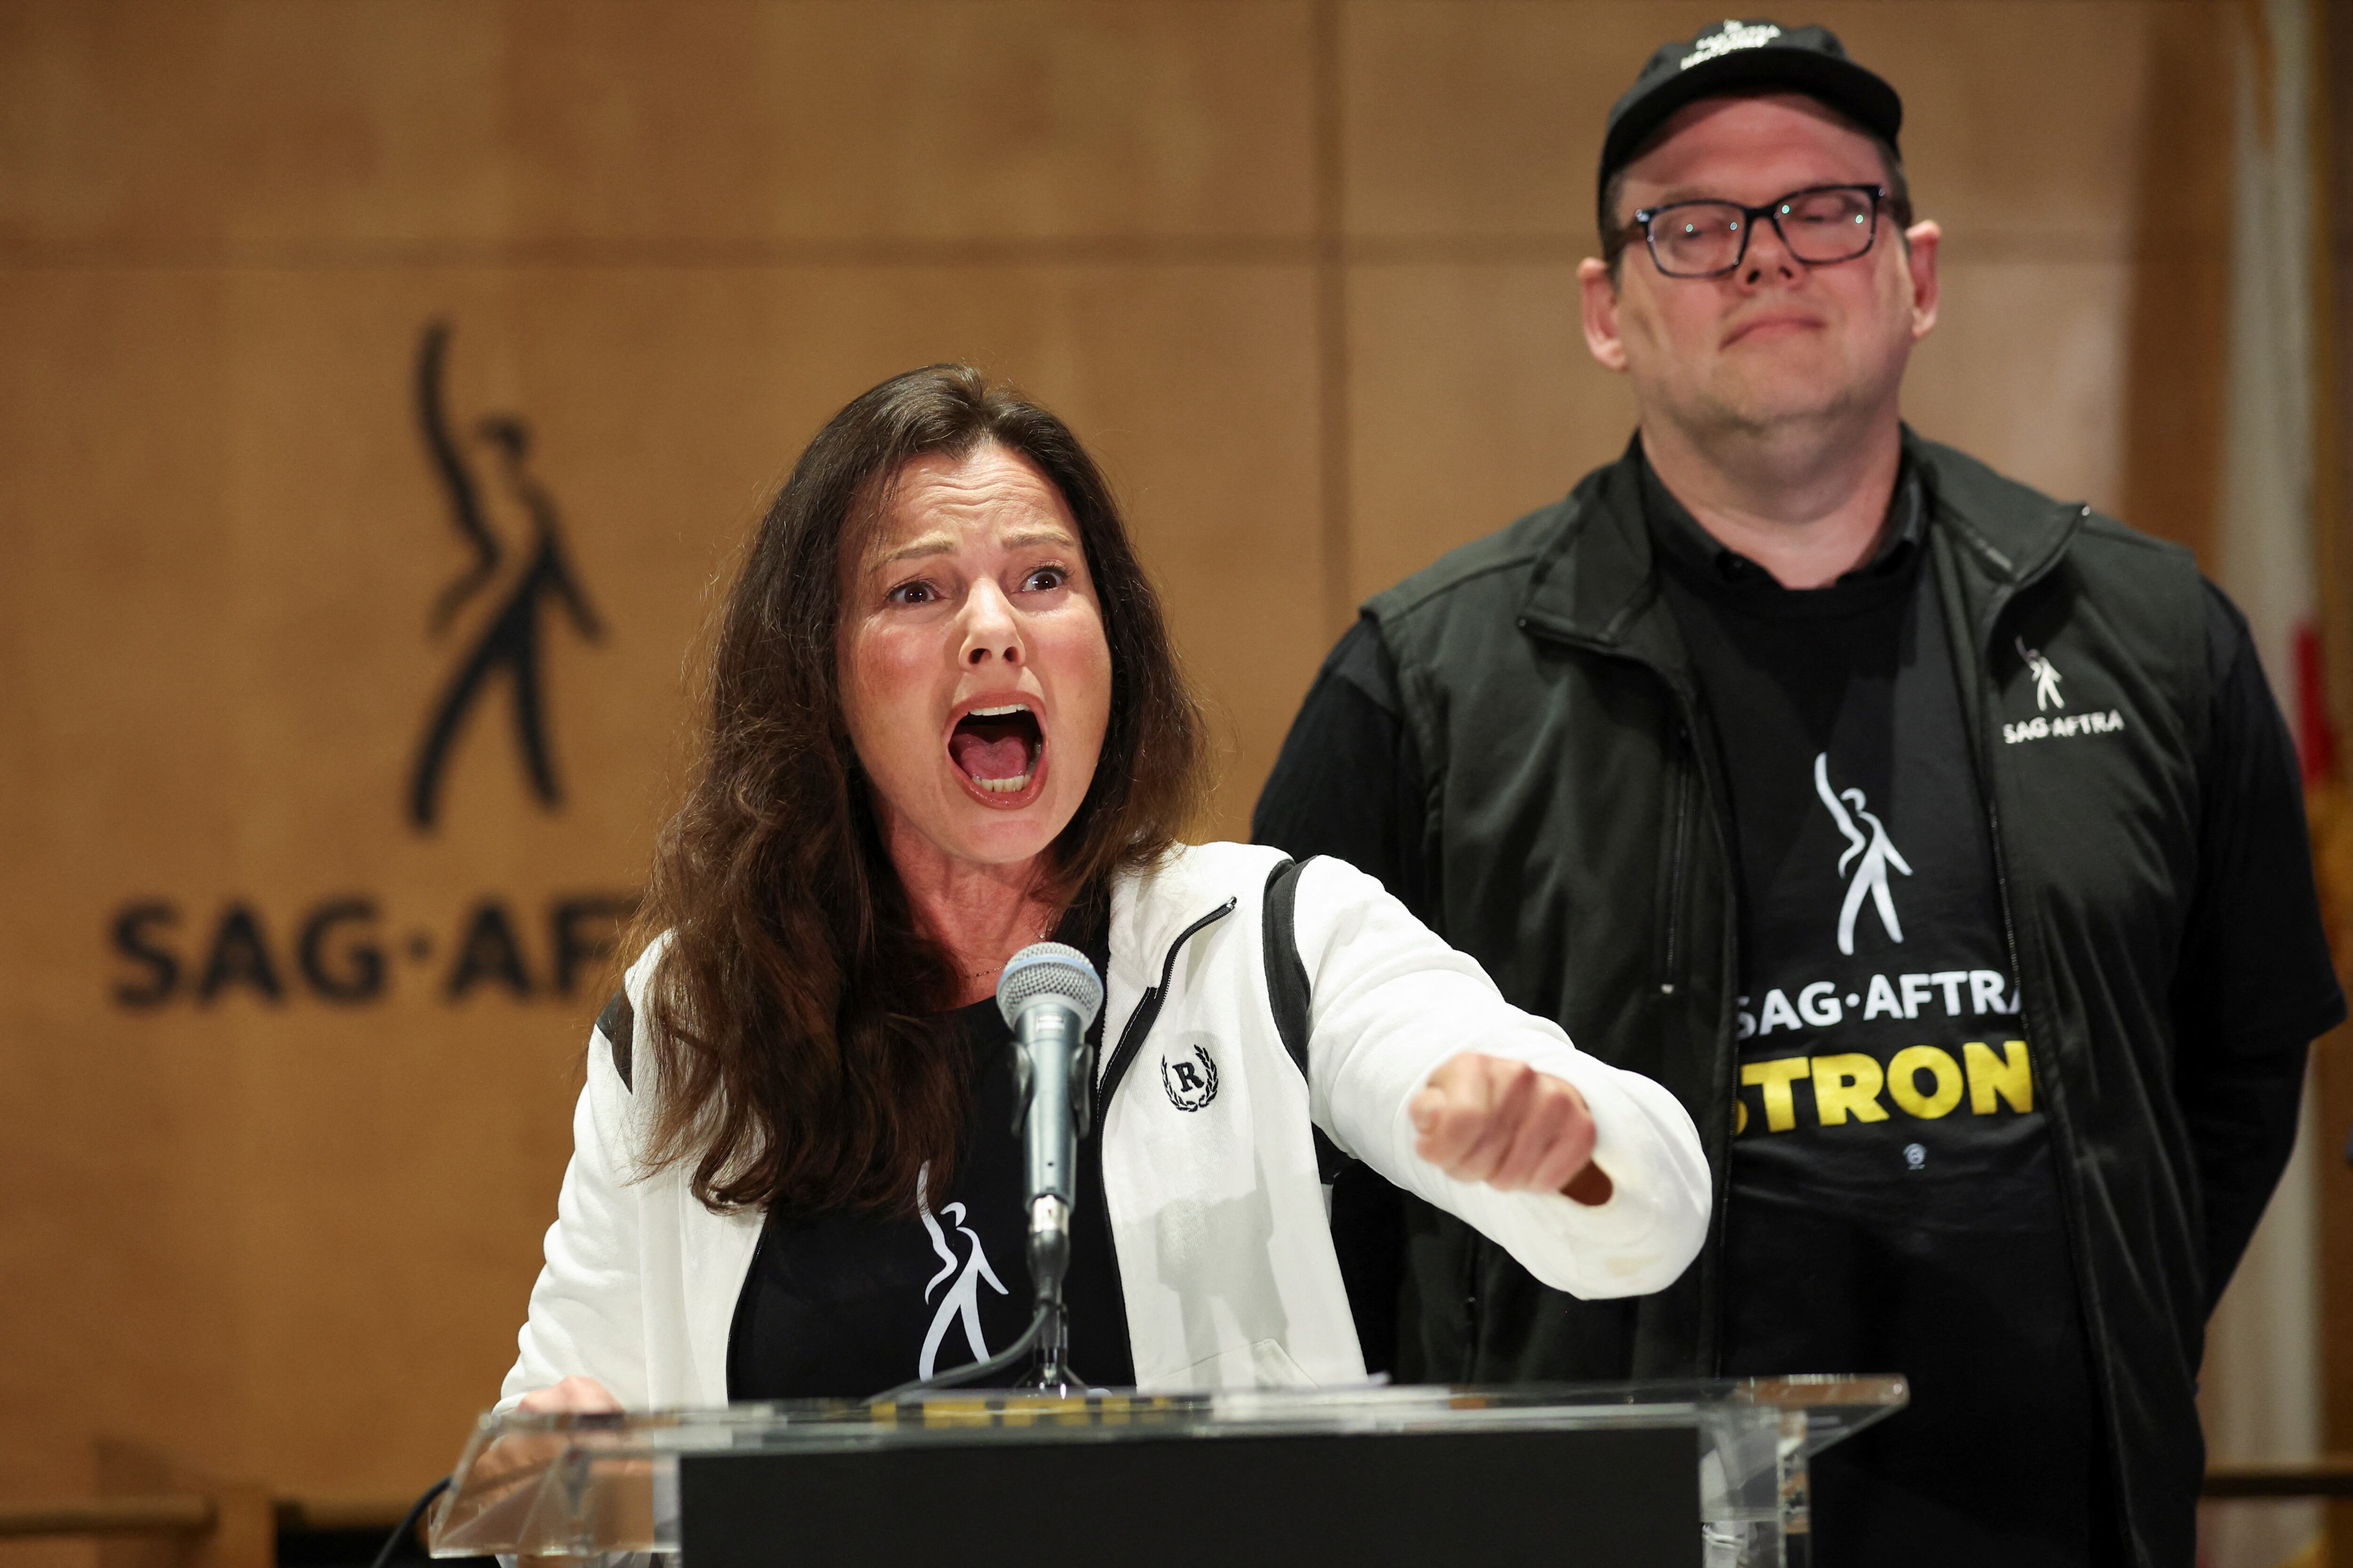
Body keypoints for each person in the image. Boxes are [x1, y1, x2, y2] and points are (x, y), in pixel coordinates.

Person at [1254, 19, 2345, 1568]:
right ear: (1607, 310)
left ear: (1920, 273)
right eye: (1692, 225)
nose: (1766, 257)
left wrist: (2123, 1313)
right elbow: (1283, 1128)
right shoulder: (1423, 690)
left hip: (2062, 1525)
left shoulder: (2156, 639)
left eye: (1828, 208)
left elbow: (2236, 1081)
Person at [498, 364, 1708, 1416]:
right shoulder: (696, 1018)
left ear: (1108, 644)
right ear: (819, 676)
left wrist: (1561, 1144)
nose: (992, 629)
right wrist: (557, 1450)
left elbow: (1646, 1219)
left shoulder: (1266, 941)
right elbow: (551, 1443)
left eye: (1041, 579)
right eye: (917, 591)